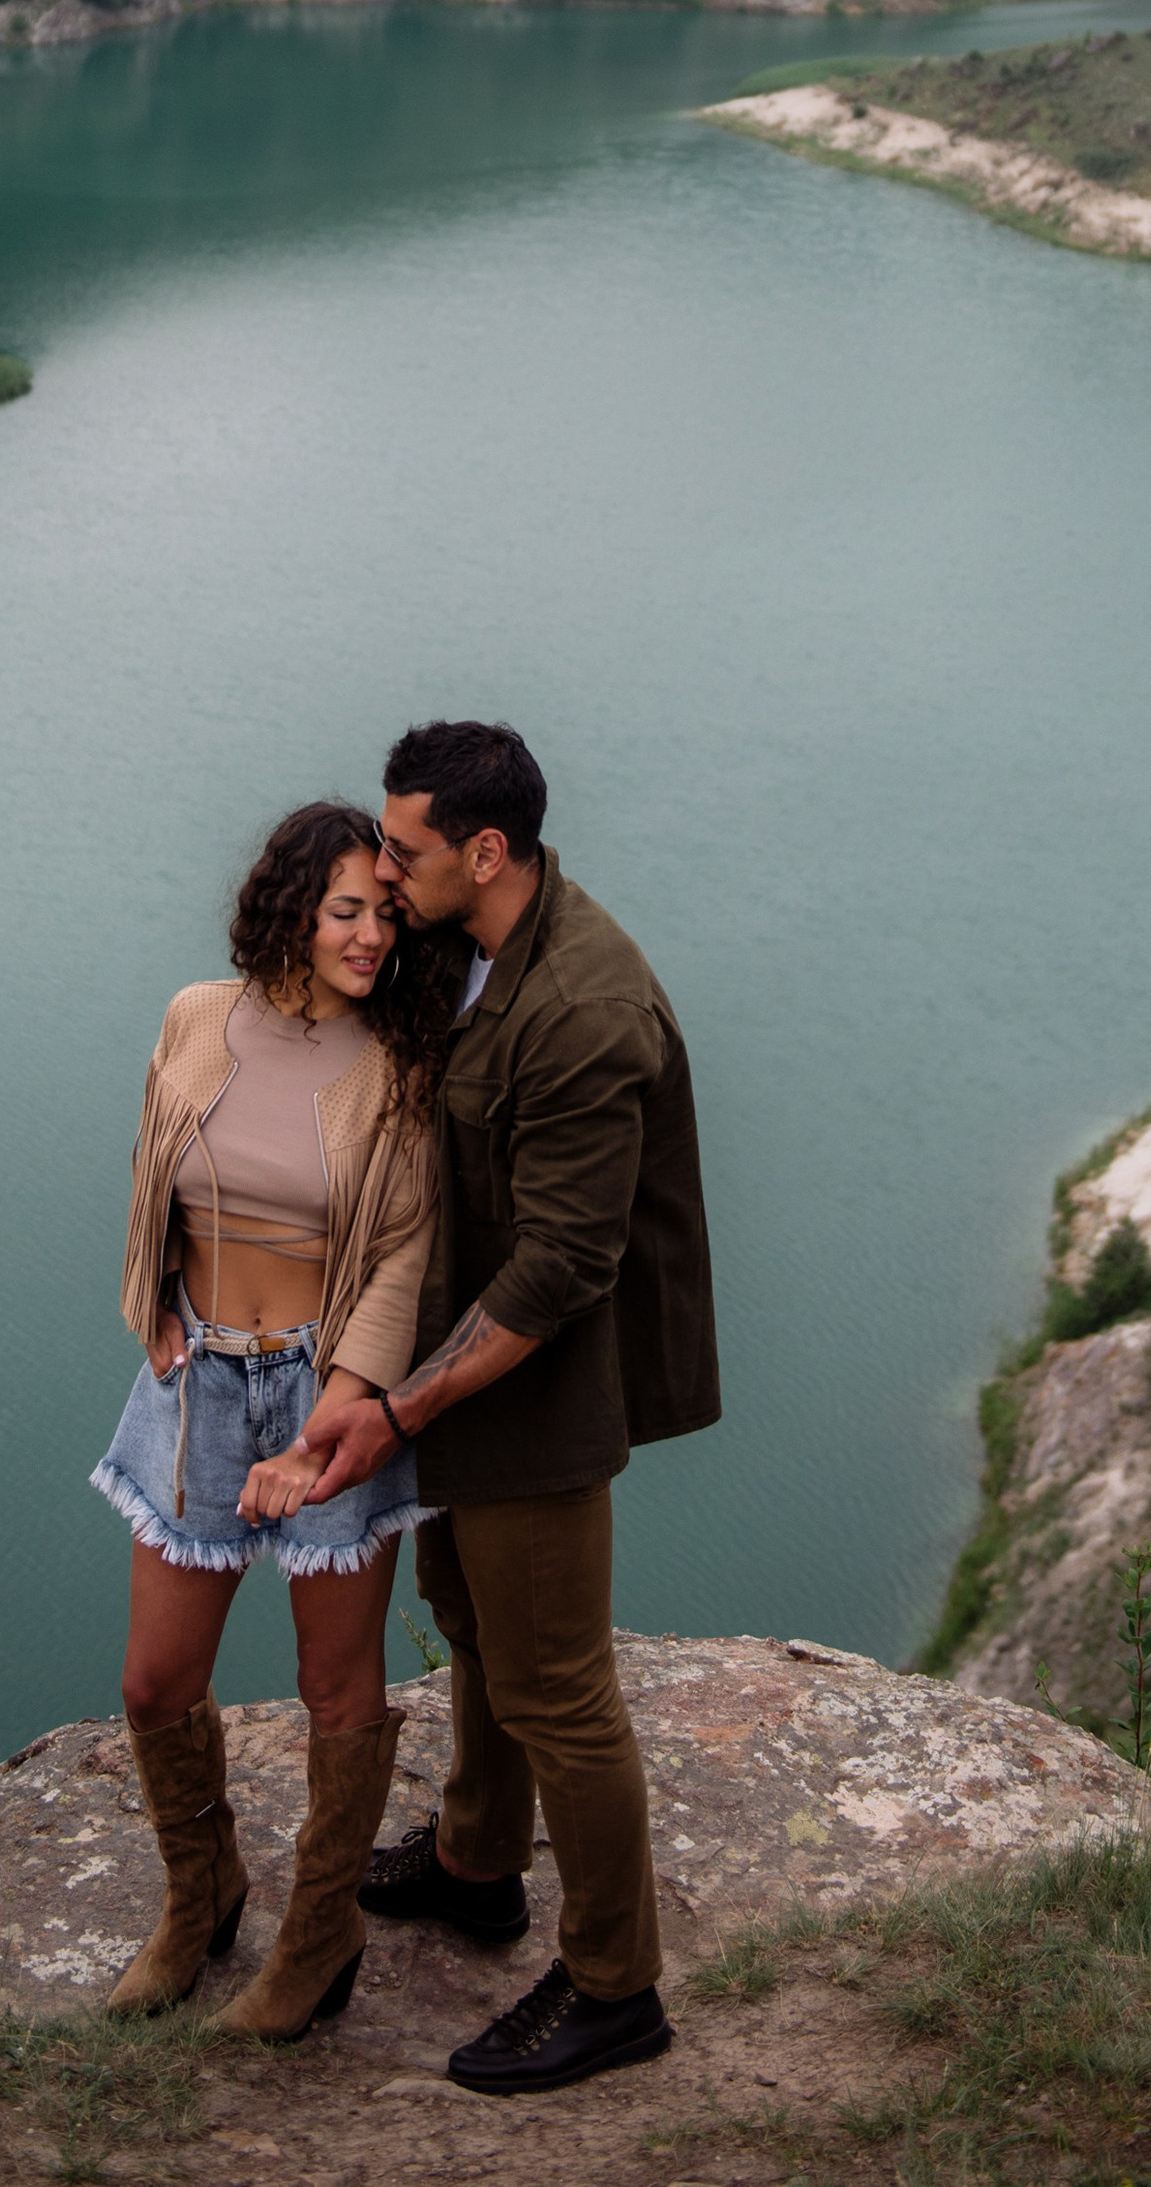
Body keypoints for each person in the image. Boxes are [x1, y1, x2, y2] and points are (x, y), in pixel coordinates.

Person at [295, 720, 719, 2100]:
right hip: (460, 1371)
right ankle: (478, 1862)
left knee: (559, 1688)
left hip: (538, 1391)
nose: (383, 867)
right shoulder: (465, 942)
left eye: (402, 848)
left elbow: (559, 1269)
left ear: (486, 852)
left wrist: (398, 1411)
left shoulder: (584, 1007)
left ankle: (614, 1985)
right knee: (472, 1622)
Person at [90, 800, 449, 2039]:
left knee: (333, 1684)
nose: (370, 936)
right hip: (198, 1379)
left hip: (324, 1385)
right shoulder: (197, 1015)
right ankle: (202, 1892)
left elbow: (401, 1255)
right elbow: (153, 1158)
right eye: (346, 909)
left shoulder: (399, 1062)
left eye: (386, 915)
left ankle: (320, 1930)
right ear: (290, 906)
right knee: (154, 1680)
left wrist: (334, 1420)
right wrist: (151, 1301)